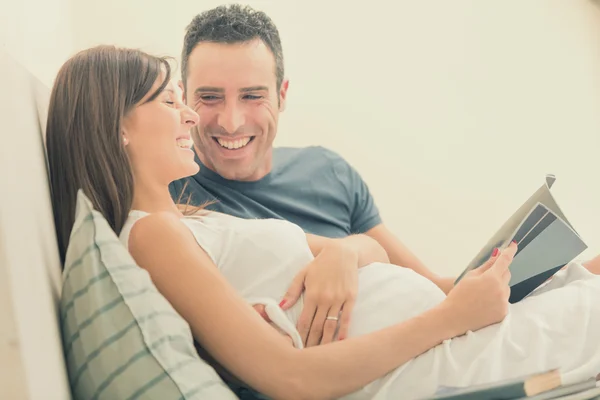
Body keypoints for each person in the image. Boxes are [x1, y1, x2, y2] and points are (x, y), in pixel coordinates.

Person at [45, 45, 600, 400]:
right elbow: (289, 378)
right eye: (171, 102)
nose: (191, 114)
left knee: (584, 280)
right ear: (118, 128)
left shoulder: (183, 223)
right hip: (433, 359)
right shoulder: (152, 235)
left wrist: (342, 252)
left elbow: (374, 253)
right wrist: (451, 317)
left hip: (448, 336)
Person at [168, 4, 458, 347]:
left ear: (282, 95)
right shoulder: (166, 195)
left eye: (252, 96)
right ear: (184, 97)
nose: (231, 122)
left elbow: (431, 285)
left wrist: (347, 252)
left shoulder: (328, 171)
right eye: (211, 97)